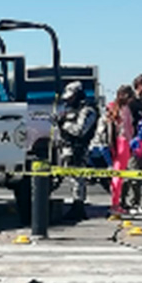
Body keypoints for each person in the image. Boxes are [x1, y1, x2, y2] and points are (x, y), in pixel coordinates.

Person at [54, 81, 99, 221]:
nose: (68, 101)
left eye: (71, 97)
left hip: (79, 149)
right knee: (59, 178)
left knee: (77, 180)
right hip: (65, 148)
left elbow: (80, 130)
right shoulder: (70, 109)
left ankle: (78, 207)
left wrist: (64, 124)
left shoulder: (88, 110)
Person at [107, 85, 136, 216]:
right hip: (123, 142)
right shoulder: (124, 109)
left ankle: (115, 202)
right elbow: (128, 129)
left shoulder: (112, 107)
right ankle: (115, 204)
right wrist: (132, 143)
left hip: (115, 142)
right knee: (119, 174)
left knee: (117, 173)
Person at [126, 74, 142, 213]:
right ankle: (131, 203)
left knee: (140, 173)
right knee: (132, 173)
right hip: (132, 142)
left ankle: (137, 202)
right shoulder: (131, 102)